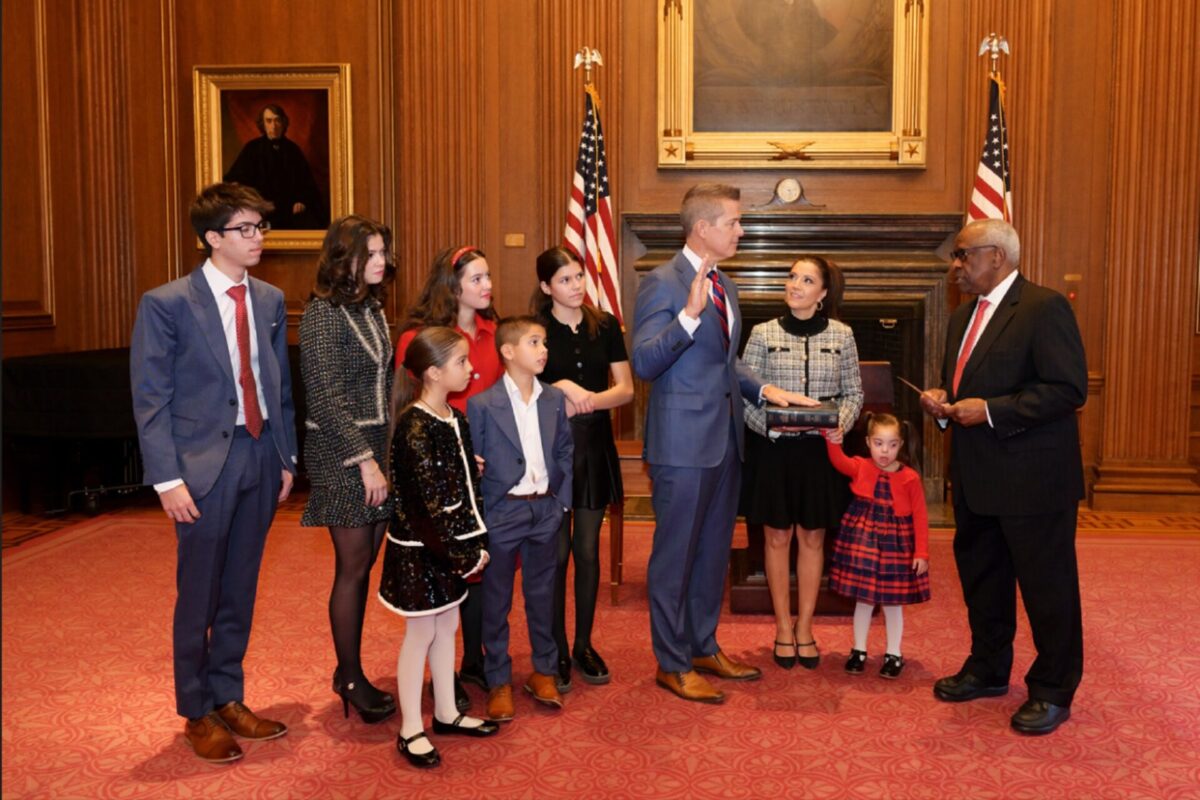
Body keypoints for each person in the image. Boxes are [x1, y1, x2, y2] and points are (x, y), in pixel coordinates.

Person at [130, 182, 298, 764]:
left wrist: (285, 457)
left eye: (260, 228)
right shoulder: (167, 303)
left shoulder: (271, 300)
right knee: (198, 594)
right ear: (211, 238)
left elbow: (278, 387)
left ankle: (228, 695)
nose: (257, 239)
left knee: (240, 587)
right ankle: (196, 711)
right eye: (245, 229)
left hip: (258, 455)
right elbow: (150, 399)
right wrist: (167, 480)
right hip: (201, 468)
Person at [631, 183, 816, 705]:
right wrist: (687, 318)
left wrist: (765, 388)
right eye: (734, 222)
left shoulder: (724, 285)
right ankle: (671, 662)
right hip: (681, 446)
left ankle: (701, 645)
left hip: (725, 443)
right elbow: (645, 362)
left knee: (712, 555)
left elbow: (723, 362)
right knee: (675, 558)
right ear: (702, 228)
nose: (742, 230)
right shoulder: (662, 284)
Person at [918, 219, 1087, 736]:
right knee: (983, 581)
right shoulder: (961, 317)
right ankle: (988, 668)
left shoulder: (1043, 307)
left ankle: (1053, 688)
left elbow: (1066, 390)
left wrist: (989, 410)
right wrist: (945, 404)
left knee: (1046, 587)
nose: (955, 266)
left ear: (995, 256)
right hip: (977, 477)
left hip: (1033, 480)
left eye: (962, 255)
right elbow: (966, 384)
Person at [378, 327, 499, 768]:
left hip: (451, 547)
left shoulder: (454, 418)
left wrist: (477, 539)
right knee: (421, 634)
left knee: (447, 627)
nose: (473, 368)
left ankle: (446, 711)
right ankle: (411, 727)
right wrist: (461, 554)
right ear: (432, 372)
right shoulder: (414, 427)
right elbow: (426, 509)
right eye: (462, 362)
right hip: (422, 550)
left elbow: (468, 490)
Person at [739, 256, 863, 671]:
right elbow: (743, 395)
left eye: (806, 280)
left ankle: (805, 626)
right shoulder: (762, 333)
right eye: (792, 277)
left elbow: (853, 395)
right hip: (774, 451)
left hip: (819, 453)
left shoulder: (843, 336)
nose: (795, 285)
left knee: (812, 538)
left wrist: (836, 428)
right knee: (776, 538)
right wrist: (772, 428)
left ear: (823, 293)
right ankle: (781, 627)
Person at [299, 215, 397, 724]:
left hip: (378, 448)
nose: (381, 262)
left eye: (383, 253)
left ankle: (349, 671)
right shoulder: (321, 315)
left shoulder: (372, 307)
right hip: (342, 455)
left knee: (365, 566)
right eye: (371, 255)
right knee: (353, 568)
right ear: (343, 258)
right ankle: (351, 676)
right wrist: (365, 463)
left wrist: (386, 455)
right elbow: (325, 396)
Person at [396, 246, 502, 706]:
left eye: (488, 277)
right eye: (477, 278)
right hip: (439, 468)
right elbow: (412, 406)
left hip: (484, 462)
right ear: (452, 285)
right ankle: (444, 683)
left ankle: (473, 663)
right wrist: (457, 460)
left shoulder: (493, 333)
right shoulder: (419, 339)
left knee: (480, 562)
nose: (487, 286)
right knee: (445, 571)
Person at [532, 246, 634, 690]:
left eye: (579, 277)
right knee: (554, 555)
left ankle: (584, 644)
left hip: (593, 447)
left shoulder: (605, 325)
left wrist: (586, 399)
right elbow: (523, 390)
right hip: (550, 451)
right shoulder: (534, 331)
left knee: (587, 552)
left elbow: (626, 389)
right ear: (545, 287)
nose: (576, 287)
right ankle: (552, 647)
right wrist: (565, 389)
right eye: (565, 280)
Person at [467, 316, 574, 722]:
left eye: (544, 342)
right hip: (503, 511)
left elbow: (565, 451)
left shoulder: (553, 400)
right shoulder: (482, 404)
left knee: (543, 594)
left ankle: (543, 670)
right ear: (508, 351)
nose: (544, 349)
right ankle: (498, 679)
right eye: (534, 342)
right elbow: (474, 461)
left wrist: (561, 502)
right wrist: (486, 511)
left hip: (545, 509)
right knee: (496, 600)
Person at [824, 414, 929, 679]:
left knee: (893, 602)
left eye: (892, 444)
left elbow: (920, 516)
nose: (885, 451)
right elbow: (838, 461)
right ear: (869, 442)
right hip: (864, 543)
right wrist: (832, 440)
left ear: (901, 444)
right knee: (864, 599)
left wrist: (921, 552)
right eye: (879, 443)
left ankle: (894, 653)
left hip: (896, 545)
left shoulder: (910, 478)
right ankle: (858, 650)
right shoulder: (860, 466)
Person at [224, 103, 327, 230]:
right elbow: (235, 178)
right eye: (269, 121)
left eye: (277, 120)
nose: (273, 126)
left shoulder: (293, 150)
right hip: (260, 209)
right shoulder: (252, 148)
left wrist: (301, 200)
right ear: (263, 124)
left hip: (288, 210)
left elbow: (306, 183)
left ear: (283, 123)